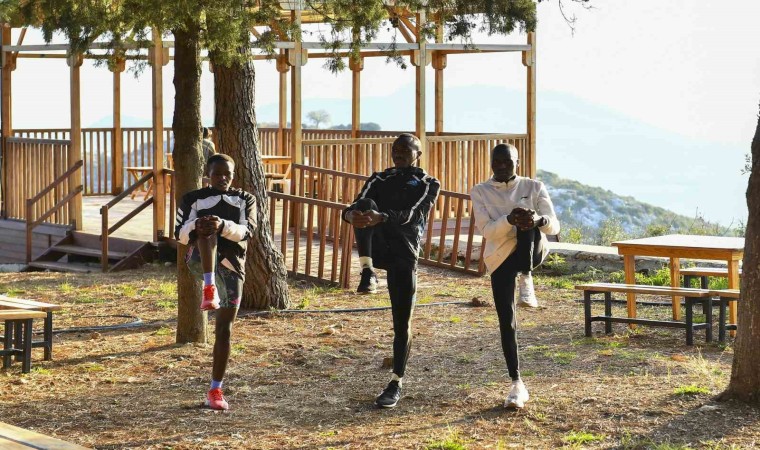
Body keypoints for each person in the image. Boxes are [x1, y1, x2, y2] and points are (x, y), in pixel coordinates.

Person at [342, 133, 440, 408]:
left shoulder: (428, 183)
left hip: (404, 252)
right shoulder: (379, 178)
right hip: (377, 244)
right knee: (363, 206)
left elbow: (413, 215)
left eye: (405, 149)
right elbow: (353, 205)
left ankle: (396, 380)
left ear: (417, 155)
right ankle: (367, 272)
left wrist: (382, 216)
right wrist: (351, 215)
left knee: (402, 322)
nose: (398, 153)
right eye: (395, 149)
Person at [470, 143, 559, 409]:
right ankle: (516, 382)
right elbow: (487, 232)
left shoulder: (533, 187)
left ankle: (526, 277)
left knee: (528, 221)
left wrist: (536, 220)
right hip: (500, 258)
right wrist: (510, 219)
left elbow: (554, 224)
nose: (500, 166)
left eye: (506, 162)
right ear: (490, 162)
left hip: (531, 250)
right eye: (496, 161)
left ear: (516, 162)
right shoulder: (480, 191)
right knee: (506, 320)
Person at [174, 153, 256, 411]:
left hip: (232, 266)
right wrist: (199, 224)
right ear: (207, 175)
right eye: (217, 174)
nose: (222, 178)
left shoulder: (245, 199)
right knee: (205, 228)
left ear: (233, 175)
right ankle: (208, 286)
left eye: (227, 174)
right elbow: (179, 233)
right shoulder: (193, 198)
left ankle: (215, 389)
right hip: (199, 259)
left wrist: (223, 226)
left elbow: (247, 231)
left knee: (225, 330)